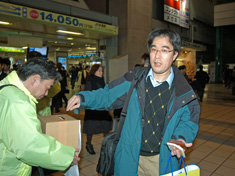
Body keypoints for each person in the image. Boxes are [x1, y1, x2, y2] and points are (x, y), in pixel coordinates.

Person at [66, 28, 200, 176]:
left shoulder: (184, 92)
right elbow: (108, 95)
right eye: (154, 49)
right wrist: (83, 98)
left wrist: (180, 139)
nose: (157, 56)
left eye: (164, 50)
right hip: (129, 156)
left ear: (174, 55)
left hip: (161, 160)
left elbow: (189, 122)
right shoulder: (135, 80)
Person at [0, 58, 80, 176]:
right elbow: (29, 145)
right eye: (47, 87)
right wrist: (66, 156)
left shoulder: (7, 89)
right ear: (35, 79)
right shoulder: (18, 102)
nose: (47, 93)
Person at [83, 64, 112, 155]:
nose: (101, 72)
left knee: (105, 127)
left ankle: (107, 145)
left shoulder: (102, 81)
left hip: (102, 108)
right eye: (99, 70)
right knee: (91, 128)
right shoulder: (90, 81)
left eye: (102, 71)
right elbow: (88, 94)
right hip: (93, 108)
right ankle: (88, 144)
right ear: (94, 71)